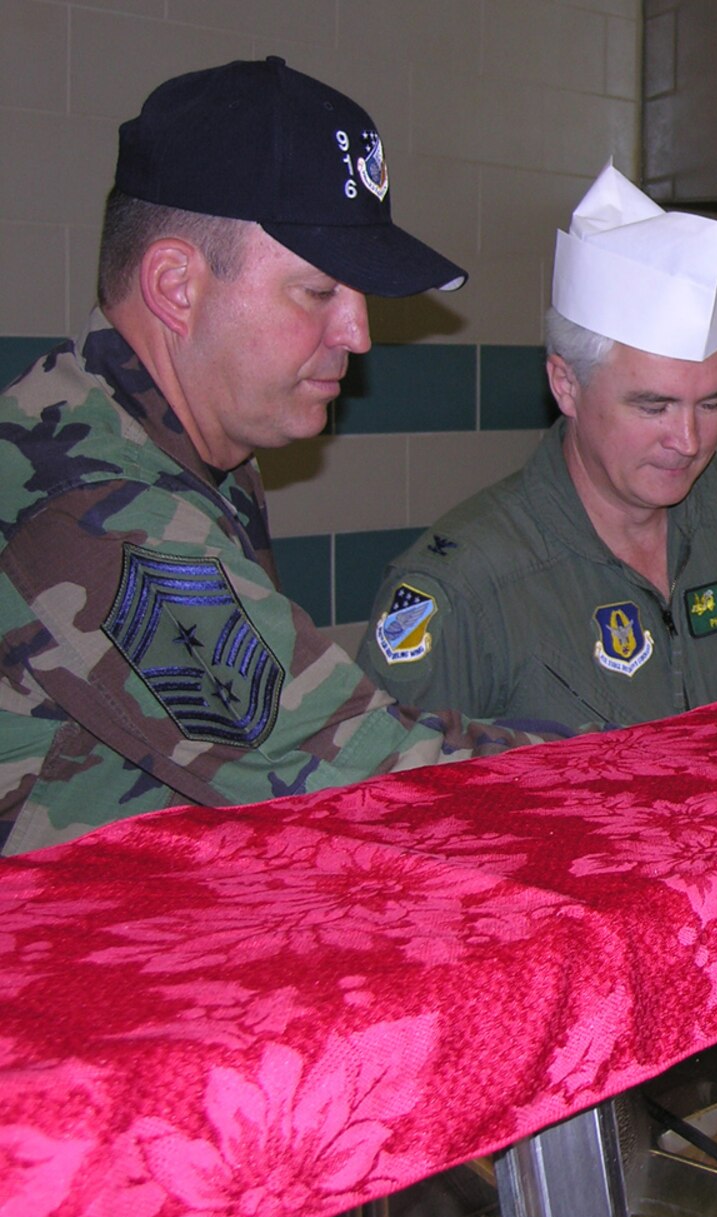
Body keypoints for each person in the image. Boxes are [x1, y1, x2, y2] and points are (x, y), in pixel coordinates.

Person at [0, 58, 554, 857]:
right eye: (320, 291)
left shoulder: (174, 447)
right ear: (176, 286)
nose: (358, 335)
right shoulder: (99, 511)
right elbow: (368, 782)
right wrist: (629, 767)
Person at [357, 165, 717, 728]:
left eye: (711, 404)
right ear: (566, 385)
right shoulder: (465, 586)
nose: (688, 442)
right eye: (652, 406)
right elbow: (383, 797)